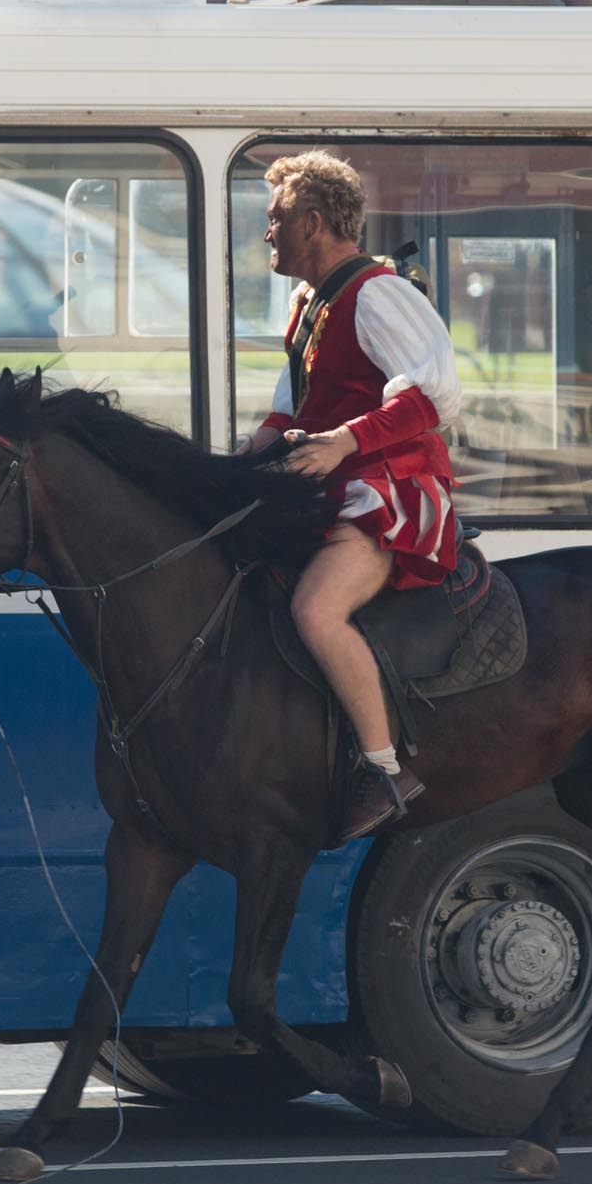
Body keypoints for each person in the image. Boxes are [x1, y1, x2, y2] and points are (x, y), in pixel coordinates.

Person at [244, 151, 463, 841]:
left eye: (275, 221)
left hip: (387, 493)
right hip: (332, 487)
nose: (268, 234)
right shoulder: (311, 303)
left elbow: (439, 393)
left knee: (316, 609)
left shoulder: (377, 293)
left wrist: (343, 441)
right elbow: (290, 411)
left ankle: (384, 768)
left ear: (312, 222)